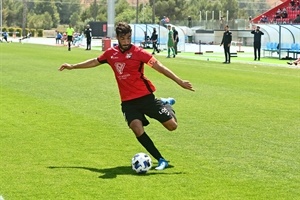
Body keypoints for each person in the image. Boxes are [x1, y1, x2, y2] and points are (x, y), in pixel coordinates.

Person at [58, 22, 194, 170]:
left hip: (145, 97)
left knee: (172, 127)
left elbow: (159, 67)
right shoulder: (111, 53)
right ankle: (161, 159)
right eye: (123, 38)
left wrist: (179, 81)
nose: (126, 41)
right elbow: (94, 62)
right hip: (128, 102)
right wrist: (73, 66)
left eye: (129, 38)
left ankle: (165, 104)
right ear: (118, 37)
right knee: (136, 128)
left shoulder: (139, 52)